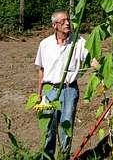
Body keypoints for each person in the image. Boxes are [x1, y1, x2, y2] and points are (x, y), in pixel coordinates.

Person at [35, 9, 88, 159]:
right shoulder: (45, 44)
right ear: (54, 25)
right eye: (63, 21)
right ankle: (47, 157)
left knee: (66, 126)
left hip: (69, 90)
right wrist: (39, 95)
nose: (67, 23)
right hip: (49, 89)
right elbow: (41, 70)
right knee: (49, 128)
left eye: (68, 20)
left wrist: (109, 69)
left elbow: (93, 60)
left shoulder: (79, 42)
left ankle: (64, 156)